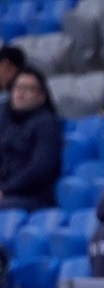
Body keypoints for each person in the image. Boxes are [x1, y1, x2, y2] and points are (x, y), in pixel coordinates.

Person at [0, 66, 63, 211]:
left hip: (30, 196)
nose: (20, 92)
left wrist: (6, 190)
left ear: (41, 96)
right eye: (17, 87)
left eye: (28, 88)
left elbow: (41, 168)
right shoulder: (4, 118)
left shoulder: (46, 124)